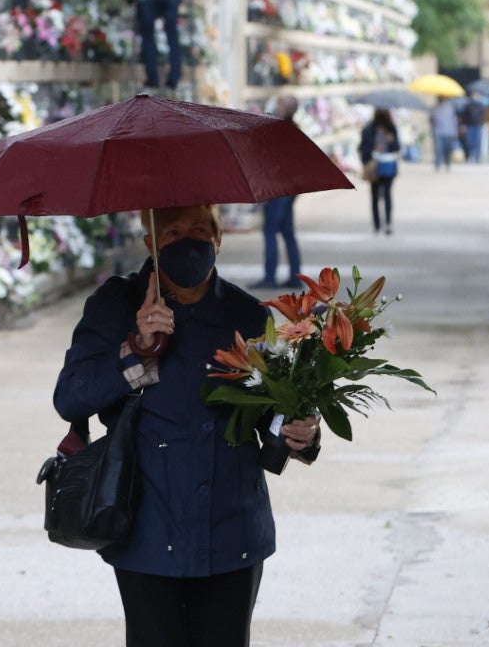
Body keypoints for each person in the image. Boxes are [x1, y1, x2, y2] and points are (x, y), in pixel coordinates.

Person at [54, 204, 322, 647]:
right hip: (147, 526)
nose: (188, 241)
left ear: (218, 239)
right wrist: (137, 348)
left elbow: (272, 418)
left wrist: (301, 435)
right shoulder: (114, 304)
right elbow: (71, 397)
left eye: (200, 229)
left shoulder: (249, 315)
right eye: (172, 231)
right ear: (150, 245)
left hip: (233, 528)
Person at [254, 96, 302, 290]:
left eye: (280, 103)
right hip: (290, 188)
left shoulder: (279, 129)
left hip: (277, 187)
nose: (276, 105)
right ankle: (295, 276)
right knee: (288, 233)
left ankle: (269, 277)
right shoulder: (295, 130)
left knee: (270, 231)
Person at [358, 107, 401, 234]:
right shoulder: (369, 129)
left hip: (388, 164)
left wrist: (391, 141)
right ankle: (377, 224)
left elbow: (397, 147)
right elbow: (363, 148)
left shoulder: (391, 129)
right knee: (375, 196)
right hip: (375, 165)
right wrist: (372, 152)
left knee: (387, 194)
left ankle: (387, 223)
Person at [430, 96, 459, 171]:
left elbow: (454, 120)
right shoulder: (434, 108)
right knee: (438, 149)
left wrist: (455, 131)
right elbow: (431, 120)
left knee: (448, 149)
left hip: (448, 132)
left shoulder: (450, 108)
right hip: (438, 131)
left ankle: (447, 162)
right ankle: (438, 163)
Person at [459, 95, 488, 163]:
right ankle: (470, 156)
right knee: (470, 142)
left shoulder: (481, 105)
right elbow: (464, 116)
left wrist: (482, 122)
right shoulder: (468, 106)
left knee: (477, 142)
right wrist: (464, 125)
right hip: (470, 125)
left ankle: (477, 157)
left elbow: (484, 115)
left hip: (478, 126)